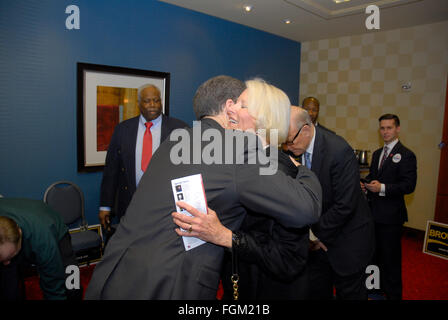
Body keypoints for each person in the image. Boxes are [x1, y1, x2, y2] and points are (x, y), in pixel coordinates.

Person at [85, 75, 322, 300]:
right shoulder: (239, 150)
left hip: (114, 271)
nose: (235, 111)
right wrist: (302, 169)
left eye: (243, 106)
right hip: (168, 284)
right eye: (237, 104)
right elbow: (306, 208)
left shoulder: (174, 142)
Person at [171, 81, 311, 300]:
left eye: (242, 105)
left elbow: (287, 260)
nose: (230, 109)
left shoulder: (281, 171)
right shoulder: (237, 160)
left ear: (264, 118)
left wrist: (225, 236)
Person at [286, 106, 374, 300]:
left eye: (290, 140)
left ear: (306, 130)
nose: (287, 147)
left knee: (350, 294)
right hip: (317, 244)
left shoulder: (339, 151)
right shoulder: (293, 151)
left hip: (347, 241)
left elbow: (345, 205)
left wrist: (315, 234)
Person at [99, 84, 189, 232]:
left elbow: (188, 170)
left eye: (156, 100)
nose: (152, 105)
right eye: (147, 101)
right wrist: (105, 206)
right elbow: (111, 170)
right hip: (130, 204)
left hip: (166, 206)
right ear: (139, 103)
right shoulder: (123, 130)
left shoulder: (179, 129)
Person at [362, 113, 417, 300]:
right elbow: (374, 178)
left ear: (397, 129)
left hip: (392, 218)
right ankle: (373, 292)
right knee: (372, 258)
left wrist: (382, 188)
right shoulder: (377, 153)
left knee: (390, 261)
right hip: (373, 215)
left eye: (389, 128)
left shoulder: (407, 155)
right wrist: (366, 184)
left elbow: (409, 186)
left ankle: (393, 296)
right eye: (382, 128)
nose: (385, 132)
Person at [0, 198, 81, 300]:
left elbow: (53, 288)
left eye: (11, 256)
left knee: (71, 286)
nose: (7, 263)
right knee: (9, 289)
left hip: (53, 229)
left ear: (20, 234)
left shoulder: (43, 238)